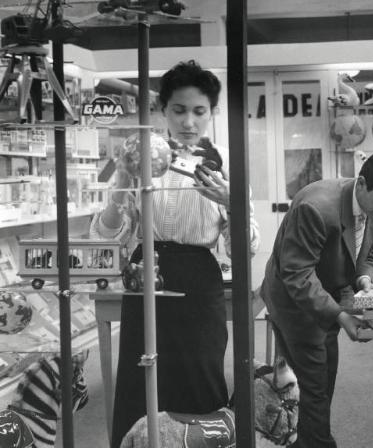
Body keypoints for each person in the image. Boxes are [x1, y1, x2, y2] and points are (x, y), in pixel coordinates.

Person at [90, 60, 260, 447]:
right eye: (179, 110)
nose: (188, 121)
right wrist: (121, 184)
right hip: (144, 276)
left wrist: (229, 203)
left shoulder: (226, 164)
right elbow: (107, 235)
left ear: (212, 113)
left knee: (200, 377)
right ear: (162, 110)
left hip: (199, 278)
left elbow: (242, 248)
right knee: (141, 380)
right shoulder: (139, 158)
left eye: (199, 111)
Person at [260, 150, 373, 448]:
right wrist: (342, 316)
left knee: (324, 377)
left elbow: (366, 254)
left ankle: (304, 439)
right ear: (362, 184)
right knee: (315, 384)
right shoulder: (316, 208)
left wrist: (364, 280)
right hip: (294, 302)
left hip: (330, 290)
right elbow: (298, 275)